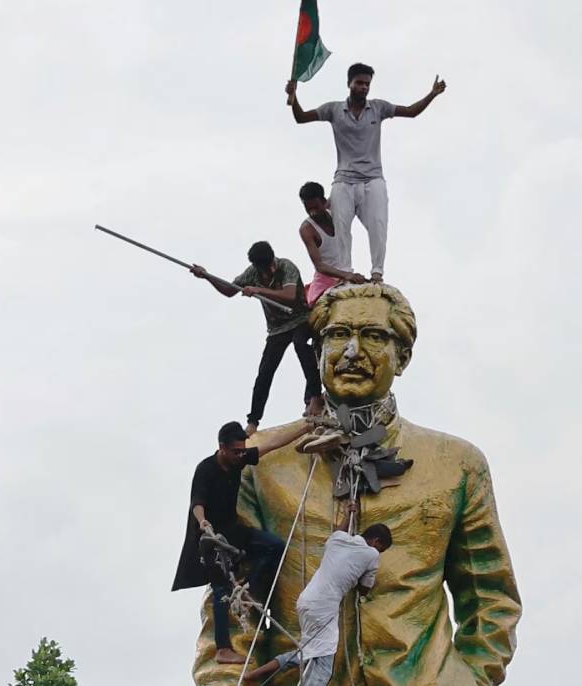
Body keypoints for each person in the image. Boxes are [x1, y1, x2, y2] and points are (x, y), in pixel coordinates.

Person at [192, 284, 521, 685]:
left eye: (374, 335)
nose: (352, 351)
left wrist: (468, 678)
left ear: (403, 357)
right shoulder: (260, 464)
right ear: (317, 353)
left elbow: (490, 596)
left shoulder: (458, 466)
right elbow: (232, 597)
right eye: (337, 335)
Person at [285, 63, 447, 282]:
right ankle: (345, 273)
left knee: (379, 224)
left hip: (372, 178)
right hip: (344, 179)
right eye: (359, 83)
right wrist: (294, 98)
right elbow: (301, 117)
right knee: (341, 225)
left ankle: (377, 272)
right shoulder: (333, 110)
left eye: (367, 84)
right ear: (349, 84)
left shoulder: (378, 108)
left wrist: (432, 94)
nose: (363, 88)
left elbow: (410, 112)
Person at [172, 420, 311, 665]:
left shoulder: (238, 459)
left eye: (242, 450)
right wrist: (203, 523)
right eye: (235, 451)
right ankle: (223, 649)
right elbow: (198, 502)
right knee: (221, 590)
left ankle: (248, 591)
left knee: (275, 546)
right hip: (211, 539)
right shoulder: (206, 469)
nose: (240, 455)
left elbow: (272, 444)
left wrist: (306, 428)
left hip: (234, 530)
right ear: (222, 447)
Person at [242, 502, 391, 685]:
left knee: (307, 652)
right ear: (376, 541)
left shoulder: (337, 540)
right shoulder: (372, 555)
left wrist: (347, 516)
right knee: (323, 667)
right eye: (381, 549)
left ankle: (255, 674)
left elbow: (338, 531)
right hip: (324, 607)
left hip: (306, 601)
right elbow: (364, 589)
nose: (379, 553)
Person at [190, 241, 323, 435]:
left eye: (269, 268)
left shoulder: (286, 266)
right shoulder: (252, 273)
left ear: (272, 261)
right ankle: (253, 421)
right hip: (277, 328)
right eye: (263, 270)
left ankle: (315, 396)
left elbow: (289, 295)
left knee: (300, 344)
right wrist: (207, 276)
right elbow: (229, 290)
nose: (267, 273)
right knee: (265, 371)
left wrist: (259, 290)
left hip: (300, 319)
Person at [297, 181, 368, 307]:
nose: (312, 212)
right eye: (308, 209)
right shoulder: (307, 230)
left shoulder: (337, 212)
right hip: (325, 282)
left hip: (347, 276)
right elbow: (319, 266)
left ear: (324, 202)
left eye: (316, 207)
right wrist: (347, 276)